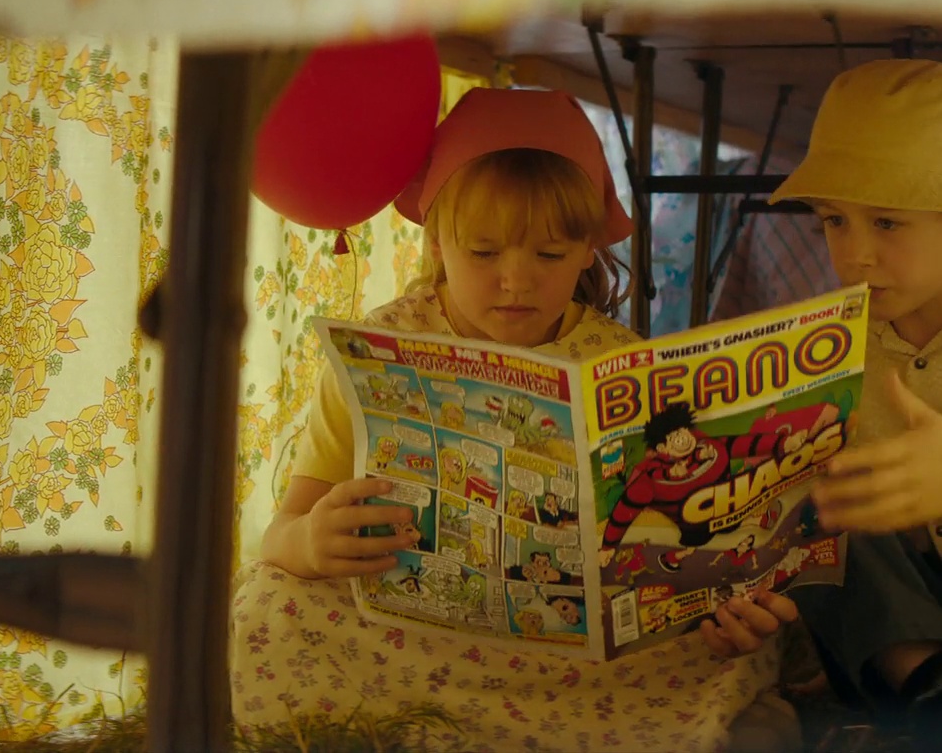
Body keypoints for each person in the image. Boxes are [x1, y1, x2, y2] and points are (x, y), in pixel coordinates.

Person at [234, 87, 794, 752]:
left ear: (588, 249)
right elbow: (281, 533)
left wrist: (722, 599)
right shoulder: (375, 353)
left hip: (572, 665)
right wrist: (308, 543)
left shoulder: (627, 369)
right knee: (268, 607)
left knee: (737, 659)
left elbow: (686, 541)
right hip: (411, 642)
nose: (516, 281)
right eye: (483, 251)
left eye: (549, 255)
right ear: (435, 241)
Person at [696, 60, 942, 753]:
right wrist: (743, 596)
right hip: (905, 629)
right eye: (834, 221)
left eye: (887, 222)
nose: (856, 255)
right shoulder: (818, 345)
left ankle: (940, 721)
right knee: (821, 503)